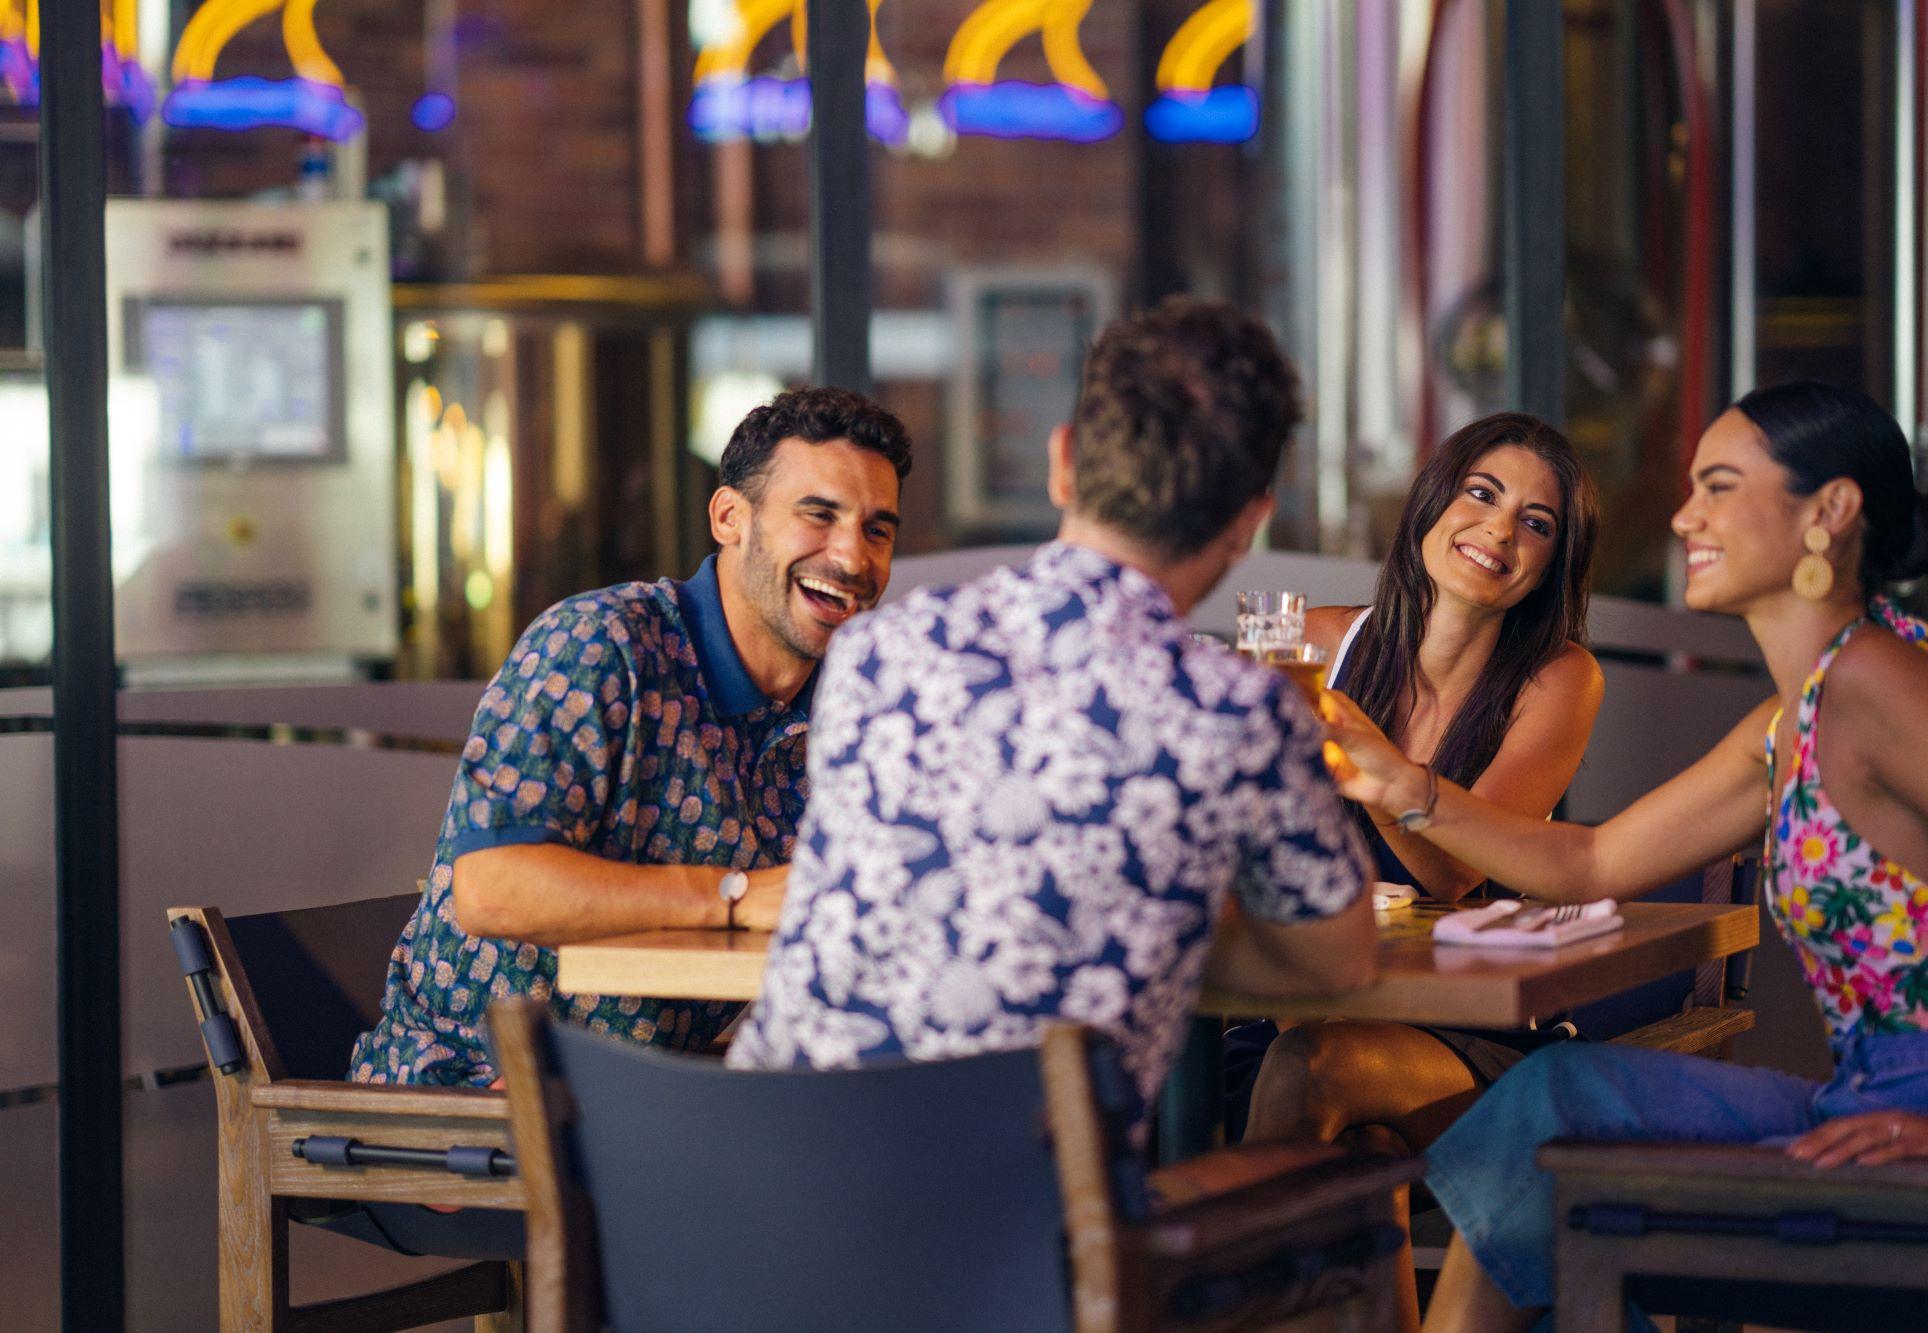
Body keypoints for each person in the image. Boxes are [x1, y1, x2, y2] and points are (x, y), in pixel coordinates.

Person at [1317, 382, 1928, 1332]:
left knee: (1548, 1112)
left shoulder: (1882, 681)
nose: (1684, 516)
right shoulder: (1794, 714)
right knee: (1552, 1100)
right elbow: (1592, 862)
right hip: (1869, 1090)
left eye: (1719, 486)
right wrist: (1406, 789)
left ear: (1829, 513)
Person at [727, 297, 1378, 1133]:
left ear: (1062, 463)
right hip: (1014, 1238)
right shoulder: (1235, 708)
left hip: (760, 1196)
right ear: (1251, 521)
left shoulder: (880, 650)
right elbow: (1339, 959)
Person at [350, 386, 912, 1086]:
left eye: (877, 530)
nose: (853, 557)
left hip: (652, 1095)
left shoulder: (852, 703)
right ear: (730, 516)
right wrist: (734, 897)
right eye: (819, 515)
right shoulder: (599, 646)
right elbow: (490, 887)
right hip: (470, 1095)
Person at [1238, 412, 1603, 1331]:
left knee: (1312, 1066)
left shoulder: (1558, 679)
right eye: (1481, 494)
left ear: (1552, 561)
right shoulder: (1313, 642)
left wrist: (1354, 752)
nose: (1499, 530)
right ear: (1433, 504)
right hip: (1296, 1013)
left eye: (1536, 521)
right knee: (1345, 1130)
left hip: (1476, 1043)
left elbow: (1447, 872)